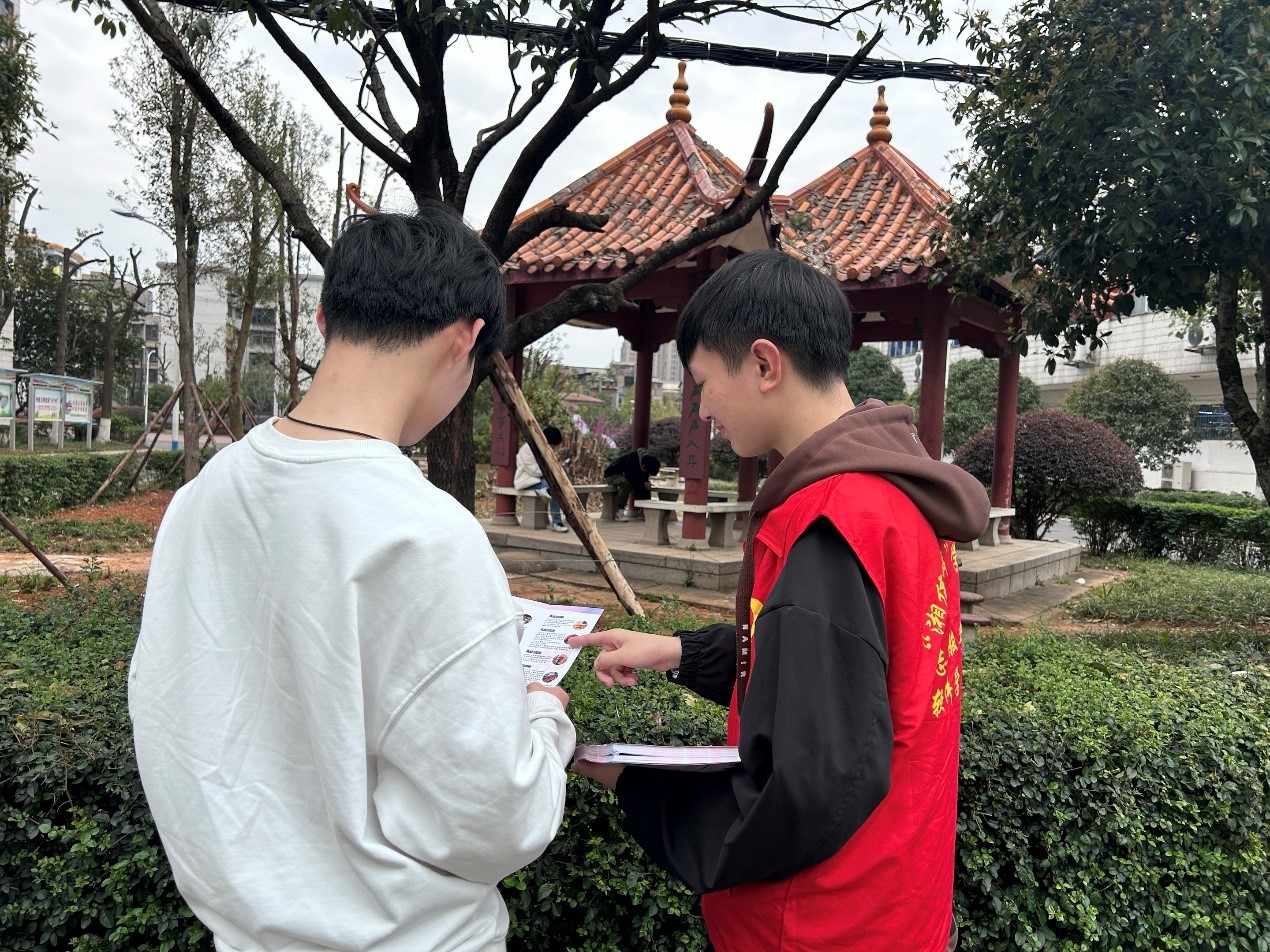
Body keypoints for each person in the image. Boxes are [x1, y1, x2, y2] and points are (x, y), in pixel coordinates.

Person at [129, 204, 575, 952]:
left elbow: (173, 717)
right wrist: (543, 719)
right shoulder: (425, 533)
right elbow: (491, 819)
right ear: (466, 339)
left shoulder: (202, 498)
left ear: (323, 319)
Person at [567, 249, 990, 952]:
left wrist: (627, 782)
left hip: (824, 925)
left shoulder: (830, 523)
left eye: (704, 383)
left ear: (765, 365)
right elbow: (834, 668)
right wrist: (678, 653)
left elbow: (805, 790)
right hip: (900, 898)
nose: (702, 410)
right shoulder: (893, 493)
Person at [514, 424, 569, 532]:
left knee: (556, 487)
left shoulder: (545, 448)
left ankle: (556, 519)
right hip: (527, 480)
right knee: (553, 487)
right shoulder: (527, 448)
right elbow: (533, 470)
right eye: (553, 446)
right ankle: (557, 522)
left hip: (542, 480)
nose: (554, 449)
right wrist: (551, 471)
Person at [603, 448, 661, 520]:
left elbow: (642, 480)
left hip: (625, 476)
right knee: (626, 484)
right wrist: (643, 483)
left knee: (645, 485)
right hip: (612, 475)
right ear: (643, 465)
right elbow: (629, 476)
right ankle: (619, 511)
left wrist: (646, 483)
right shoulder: (633, 458)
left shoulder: (646, 464)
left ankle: (644, 511)